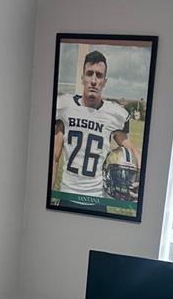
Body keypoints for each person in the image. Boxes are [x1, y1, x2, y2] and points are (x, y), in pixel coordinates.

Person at [53, 50, 140, 199]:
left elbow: (133, 151)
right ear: (82, 78)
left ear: (104, 81)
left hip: (97, 197)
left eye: (99, 75)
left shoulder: (114, 114)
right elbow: (54, 158)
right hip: (68, 194)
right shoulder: (65, 107)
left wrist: (140, 179)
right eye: (89, 73)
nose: (93, 80)